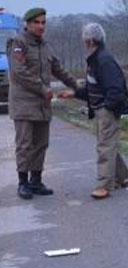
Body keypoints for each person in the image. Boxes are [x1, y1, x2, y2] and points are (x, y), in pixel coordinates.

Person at [8, 8, 78, 200]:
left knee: (41, 143)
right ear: (27, 24)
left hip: (42, 104)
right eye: (36, 22)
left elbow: (58, 69)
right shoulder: (18, 44)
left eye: (43, 22)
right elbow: (19, 72)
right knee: (24, 145)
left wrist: (77, 87)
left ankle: (36, 181)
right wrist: (42, 88)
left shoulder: (45, 46)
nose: (41, 26)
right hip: (24, 104)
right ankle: (23, 183)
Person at [59, 22, 128, 199]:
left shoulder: (103, 60)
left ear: (90, 41)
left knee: (105, 146)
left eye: (84, 39)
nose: (83, 42)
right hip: (101, 109)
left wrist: (107, 108)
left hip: (107, 110)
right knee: (108, 144)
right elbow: (93, 89)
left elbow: (116, 89)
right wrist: (74, 93)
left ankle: (104, 185)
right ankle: (121, 177)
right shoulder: (96, 59)